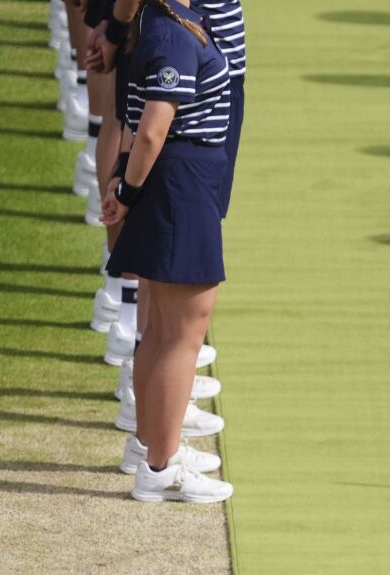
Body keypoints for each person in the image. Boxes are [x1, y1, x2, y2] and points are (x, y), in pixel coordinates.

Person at [101, 0, 234, 503]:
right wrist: (127, 193)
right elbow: (152, 128)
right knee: (182, 336)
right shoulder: (171, 31)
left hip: (180, 180)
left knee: (162, 334)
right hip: (180, 183)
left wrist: (124, 183)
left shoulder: (168, 19)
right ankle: (162, 464)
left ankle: (154, 449)